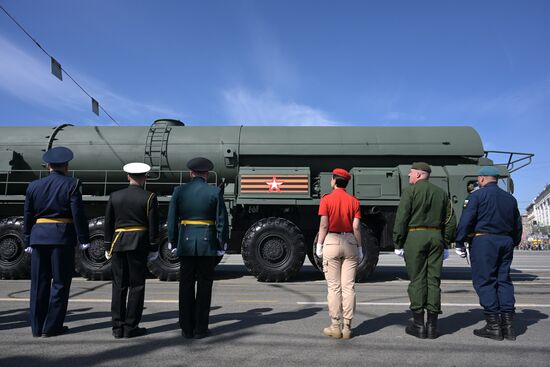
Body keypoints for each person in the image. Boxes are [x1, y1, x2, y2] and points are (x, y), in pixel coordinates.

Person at [23, 146, 90, 337]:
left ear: (48, 167)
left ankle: (36, 327)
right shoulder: (72, 184)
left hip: (38, 236)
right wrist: (83, 238)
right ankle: (52, 327)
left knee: (38, 283)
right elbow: (78, 214)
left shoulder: (33, 186)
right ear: (66, 166)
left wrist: (28, 239)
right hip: (61, 237)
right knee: (60, 283)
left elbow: (27, 215)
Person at [455, 166, 522, 341]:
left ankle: (493, 326)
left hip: (484, 241)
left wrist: (460, 241)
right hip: (505, 241)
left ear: (483, 179)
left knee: (485, 281)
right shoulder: (510, 199)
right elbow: (517, 225)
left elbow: (466, 220)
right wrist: (512, 241)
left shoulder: (476, 196)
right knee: (504, 280)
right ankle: (508, 327)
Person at [392, 162, 456, 339]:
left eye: (411, 174)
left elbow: (401, 218)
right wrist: (445, 241)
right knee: (433, 280)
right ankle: (433, 327)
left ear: (419, 175)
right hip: (436, 238)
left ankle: (419, 325)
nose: (408, 176)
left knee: (417, 279)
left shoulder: (409, 192)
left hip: (414, 237)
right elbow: (450, 220)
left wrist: (398, 242)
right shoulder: (442, 194)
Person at [167, 157, 229, 339]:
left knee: (185, 285)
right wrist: (221, 242)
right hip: (206, 242)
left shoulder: (179, 191)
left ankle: (186, 327)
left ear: (190, 173)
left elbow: (172, 219)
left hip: (185, 242)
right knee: (204, 286)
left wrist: (173, 240)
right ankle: (201, 328)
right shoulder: (214, 192)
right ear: (207, 174)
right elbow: (221, 221)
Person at [104, 162, 159, 339]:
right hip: (138, 244)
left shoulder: (114, 196)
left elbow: (108, 223)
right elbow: (153, 226)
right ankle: (130, 327)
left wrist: (107, 245)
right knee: (137, 286)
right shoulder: (149, 197)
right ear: (144, 178)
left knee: (119, 286)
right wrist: (153, 246)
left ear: (128, 177)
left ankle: (117, 327)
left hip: (118, 243)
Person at [316, 168, 362, 339]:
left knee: (334, 287)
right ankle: (347, 327)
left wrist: (319, 245)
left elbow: (324, 225)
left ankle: (335, 326)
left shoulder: (326, 199)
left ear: (334, 181)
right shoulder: (354, 201)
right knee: (348, 286)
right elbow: (356, 227)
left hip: (332, 241)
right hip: (350, 241)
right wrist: (360, 247)